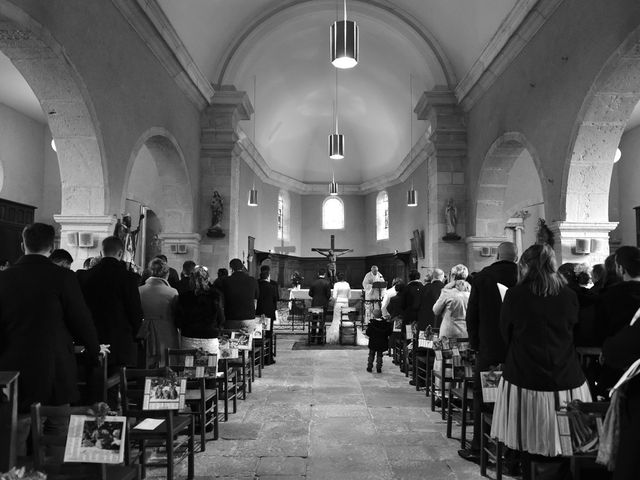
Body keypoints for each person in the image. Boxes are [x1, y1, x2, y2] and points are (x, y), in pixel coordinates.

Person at [0, 223, 103, 455]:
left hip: (13, 369)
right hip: (54, 365)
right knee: (57, 427)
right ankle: (54, 470)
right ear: (52, 246)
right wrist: (94, 350)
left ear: (22, 244)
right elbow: (81, 319)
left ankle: (14, 473)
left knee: (16, 429)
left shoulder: (4, 279)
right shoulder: (63, 277)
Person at [491, 244, 590, 477]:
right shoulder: (569, 295)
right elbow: (575, 333)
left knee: (528, 440)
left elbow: (505, 333)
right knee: (566, 443)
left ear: (524, 266)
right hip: (565, 377)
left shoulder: (515, 295)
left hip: (525, 377)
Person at [459, 242, 518, 464]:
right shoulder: (525, 275)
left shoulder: (483, 277)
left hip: (490, 349)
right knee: (515, 398)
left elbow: (472, 316)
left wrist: (475, 345)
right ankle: (513, 453)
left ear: (495, 254)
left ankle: (480, 448)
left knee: (484, 398)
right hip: (517, 352)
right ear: (516, 256)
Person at [81, 236, 143, 373]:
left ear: (101, 253)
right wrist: (132, 333)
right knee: (115, 382)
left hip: (92, 339)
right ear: (120, 253)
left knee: (93, 382)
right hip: (119, 340)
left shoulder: (84, 276)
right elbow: (135, 312)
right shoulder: (129, 278)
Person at [596, 246, 640, 392]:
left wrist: (605, 347)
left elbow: (601, 328)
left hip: (618, 362)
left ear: (620, 269)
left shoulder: (611, 296)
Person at [138, 258, 179, 367]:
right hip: (166, 332)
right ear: (167, 274)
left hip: (144, 331)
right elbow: (177, 315)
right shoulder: (173, 292)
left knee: (145, 364)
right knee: (166, 364)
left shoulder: (139, 290)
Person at [177, 266, 225, 352]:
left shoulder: (184, 297)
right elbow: (221, 318)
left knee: (188, 365)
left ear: (191, 281)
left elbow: (178, 320)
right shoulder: (215, 295)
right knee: (211, 365)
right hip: (209, 338)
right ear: (207, 280)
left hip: (189, 337)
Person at [433, 264, 471, 339]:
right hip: (465, 332)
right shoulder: (470, 293)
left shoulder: (447, 292)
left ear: (453, 276)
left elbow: (436, 310)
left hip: (449, 333)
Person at [219, 258, 259, 330]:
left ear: (231, 268)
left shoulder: (226, 281)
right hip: (249, 317)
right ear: (242, 267)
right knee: (248, 340)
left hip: (231, 317)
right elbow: (255, 300)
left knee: (230, 340)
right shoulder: (252, 280)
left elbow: (222, 300)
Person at [366, 309, 393, 373]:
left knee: (371, 354)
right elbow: (389, 332)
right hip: (382, 342)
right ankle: (379, 368)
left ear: (374, 315)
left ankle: (369, 367)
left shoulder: (372, 324)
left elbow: (368, 333)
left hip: (373, 342)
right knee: (380, 355)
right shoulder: (385, 324)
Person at [327, 272, 350, 344]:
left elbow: (334, 296)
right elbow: (349, 296)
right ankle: (346, 335)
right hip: (345, 303)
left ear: (337, 278)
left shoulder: (336, 284)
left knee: (337, 319)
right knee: (345, 319)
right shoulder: (347, 284)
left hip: (338, 303)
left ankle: (335, 336)